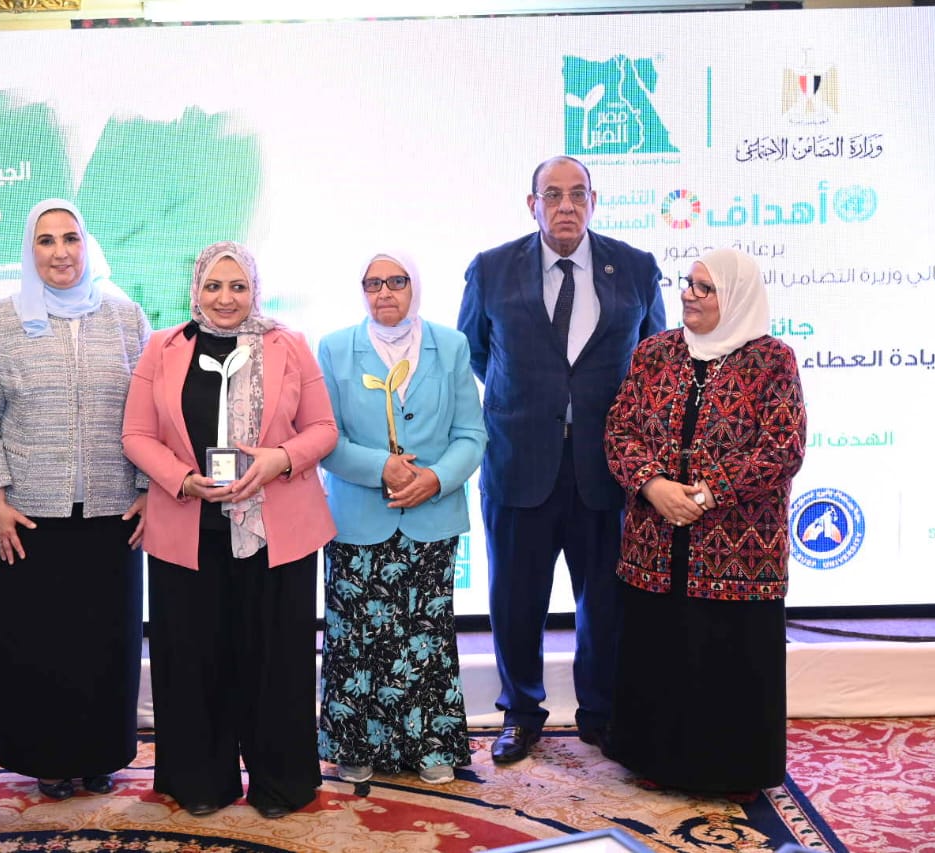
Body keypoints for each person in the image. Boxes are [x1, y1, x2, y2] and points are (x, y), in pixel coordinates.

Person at [457, 156, 665, 764]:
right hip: (520, 462)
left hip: (607, 469)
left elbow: (653, 360)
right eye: (552, 194)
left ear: (593, 201)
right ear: (533, 205)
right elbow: (476, 352)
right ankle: (521, 714)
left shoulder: (635, 268)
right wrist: (534, 402)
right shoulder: (492, 269)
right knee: (515, 600)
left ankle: (600, 713)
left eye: (577, 194)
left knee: (605, 602)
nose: (566, 205)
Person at [122, 241, 337, 819]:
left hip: (276, 532)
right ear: (196, 289)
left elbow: (323, 428)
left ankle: (281, 784)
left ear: (254, 290)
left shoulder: (289, 344)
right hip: (187, 529)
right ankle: (200, 782)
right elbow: (136, 435)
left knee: (277, 662)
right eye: (213, 286)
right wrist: (183, 479)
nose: (225, 298)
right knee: (193, 661)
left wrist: (280, 460)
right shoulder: (162, 347)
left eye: (237, 286)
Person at [0, 199, 150, 802]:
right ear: (30, 250)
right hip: (25, 518)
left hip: (111, 515)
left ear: (87, 244)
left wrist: (149, 491)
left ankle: (100, 756)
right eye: (46, 240)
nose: (61, 252)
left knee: (105, 645)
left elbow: (153, 415)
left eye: (71, 238)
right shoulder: (1, 320)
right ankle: (46, 759)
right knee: (39, 648)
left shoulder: (126, 317)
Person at [603, 247, 805, 793]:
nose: (688, 295)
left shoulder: (772, 360)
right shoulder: (655, 353)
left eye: (704, 288)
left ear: (734, 297)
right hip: (653, 542)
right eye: (688, 283)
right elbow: (620, 430)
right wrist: (654, 485)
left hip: (739, 551)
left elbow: (782, 448)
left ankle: (733, 771)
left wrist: (709, 493)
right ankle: (654, 760)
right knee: (659, 653)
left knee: (727, 661)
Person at [317, 250, 487, 785]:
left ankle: (431, 744)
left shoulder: (450, 345)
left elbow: (471, 434)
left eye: (397, 281)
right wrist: (381, 467)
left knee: (425, 637)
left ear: (415, 286)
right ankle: (355, 746)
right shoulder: (335, 348)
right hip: (356, 519)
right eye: (373, 283)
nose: (385, 292)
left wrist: (435, 478)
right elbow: (324, 439)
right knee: (355, 637)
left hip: (431, 514)